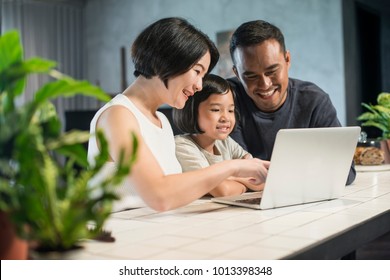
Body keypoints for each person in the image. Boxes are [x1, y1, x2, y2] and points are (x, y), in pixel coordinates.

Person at [87, 17, 269, 213]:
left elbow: (174, 190)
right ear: (165, 61)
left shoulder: (162, 121)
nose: (199, 85)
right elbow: (159, 195)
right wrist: (233, 167)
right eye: (197, 71)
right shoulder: (118, 115)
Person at [227, 19, 356, 185]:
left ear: (287, 60)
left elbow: (345, 172)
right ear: (237, 73)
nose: (265, 84)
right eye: (251, 76)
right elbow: (231, 171)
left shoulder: (314, 100)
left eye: (272, 71)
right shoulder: (226, 101)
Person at [173, 74, 268, 197]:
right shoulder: (183, 145)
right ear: (191, 110)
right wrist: (243, 182)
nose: (226, 118)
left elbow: (261, 180)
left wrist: (230, 179)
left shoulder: (225, 142)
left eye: (230, 110)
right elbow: (223, 191)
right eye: (216, 110)